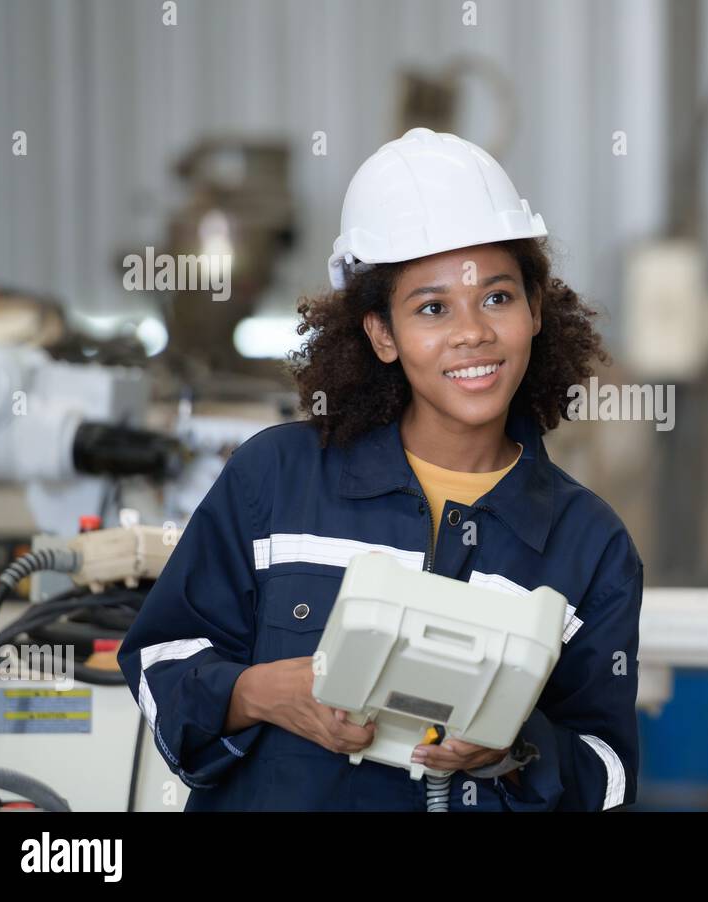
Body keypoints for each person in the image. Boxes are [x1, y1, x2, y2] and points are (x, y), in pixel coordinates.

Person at [117, 127, 643, 811]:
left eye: (498, 296)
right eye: (432, 308)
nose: (472, 333)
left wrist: (516, 748)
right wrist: (263, 694)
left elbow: (611, 780)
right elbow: (160, 666)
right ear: (382, 334)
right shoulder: (275, 482)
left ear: (535, 310)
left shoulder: (589, 544)